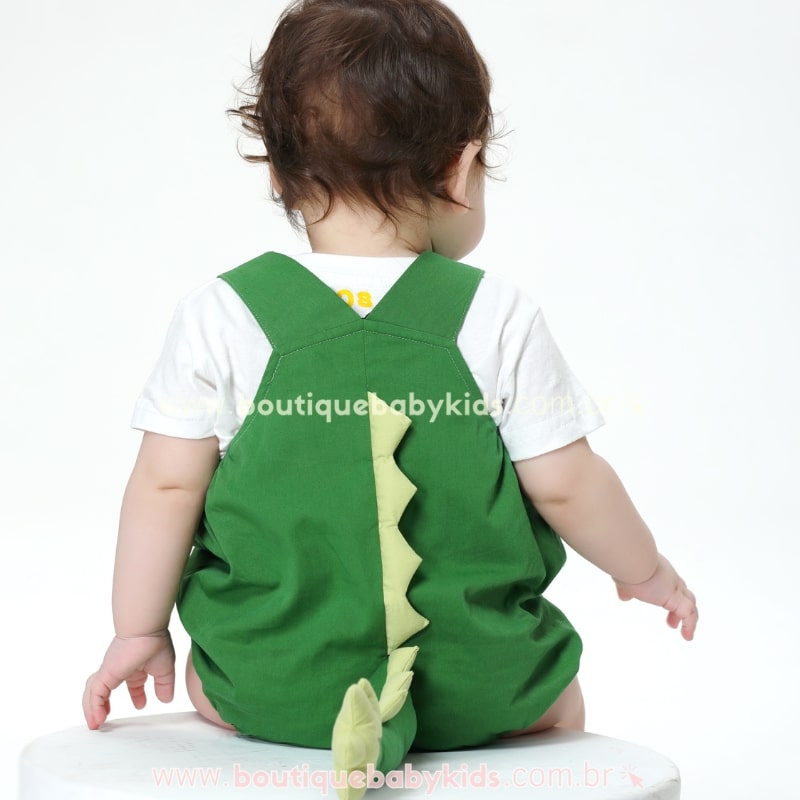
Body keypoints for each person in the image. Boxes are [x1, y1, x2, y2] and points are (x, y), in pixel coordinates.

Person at [83, 0, 698, 797]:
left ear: (275, 172)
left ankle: (322, 735)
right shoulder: (495, 314)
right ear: (459, 169)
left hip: (273, 683)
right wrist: (645, 570)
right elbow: (569, 484)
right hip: (480, 685)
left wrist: (137, 632)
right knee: (556, 701)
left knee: (211, 682)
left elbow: (165, 486)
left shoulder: (222, 316)